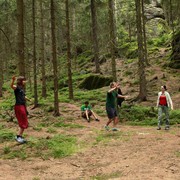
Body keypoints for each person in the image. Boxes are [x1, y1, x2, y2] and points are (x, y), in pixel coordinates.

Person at [11, 76, 30, 143]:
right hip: (19, 106)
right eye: (24, 80)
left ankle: (19, 136)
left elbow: (24, 96)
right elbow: (12, 86)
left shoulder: (22, 89)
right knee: (23, 121)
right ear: (21, 81)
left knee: (24, 121)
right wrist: (13, 80)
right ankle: (18, 137)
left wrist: (28, 99)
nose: (25, 81)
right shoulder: (17, 87)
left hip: (22, 106)